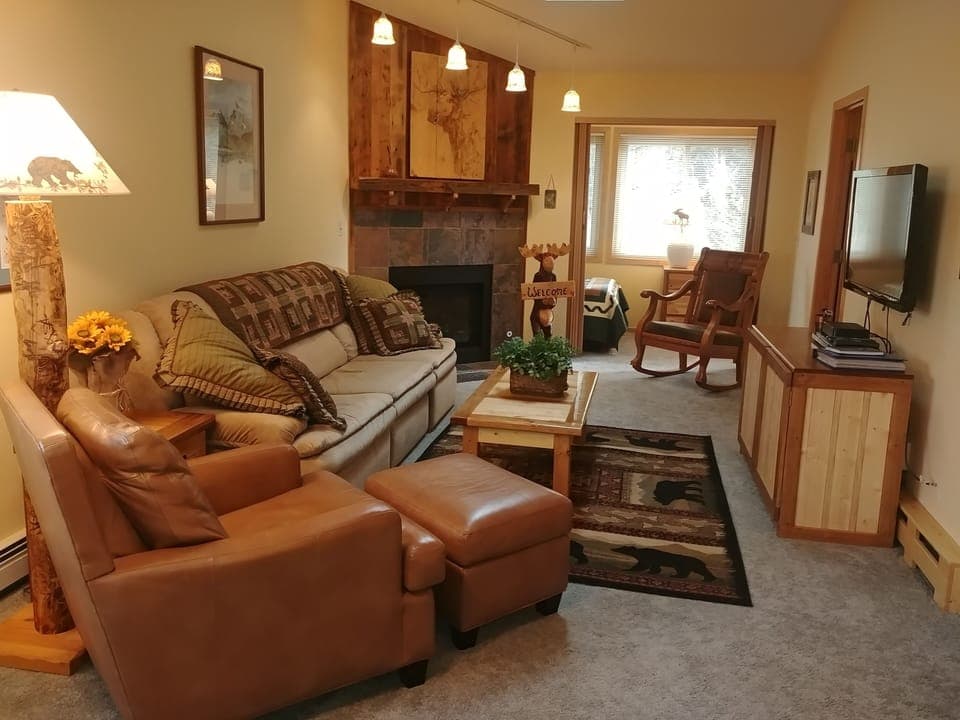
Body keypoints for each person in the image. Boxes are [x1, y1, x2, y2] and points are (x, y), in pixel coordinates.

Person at [530, 251, 557, 338]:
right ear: (542, 263)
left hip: (548, 312)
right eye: (547, 261)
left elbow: (556, 292)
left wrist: (553, 302)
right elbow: (534, 294)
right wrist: (542, 302)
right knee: (537, 336)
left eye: (552, 261)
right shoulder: (538, 276)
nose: (550, 263)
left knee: (548, 335)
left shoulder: (553, 276)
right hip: (538, 311)